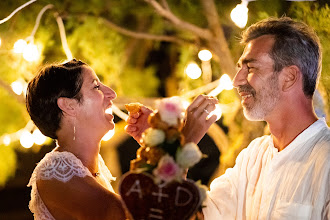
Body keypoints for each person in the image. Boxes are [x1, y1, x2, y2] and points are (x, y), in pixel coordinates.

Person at [125, 17, 330, 219]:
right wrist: (168, 147)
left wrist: (183, 145)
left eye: (250, 68)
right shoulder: (252, 157)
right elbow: (192, 215)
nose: (236, 81)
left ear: (289, 77)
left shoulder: (325, 160)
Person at [26, 59, 131, 220]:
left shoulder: (95, 168)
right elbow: (122, 215)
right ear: (69, 106)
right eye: (96, 86)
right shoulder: (55, 170)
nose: (111, 93)